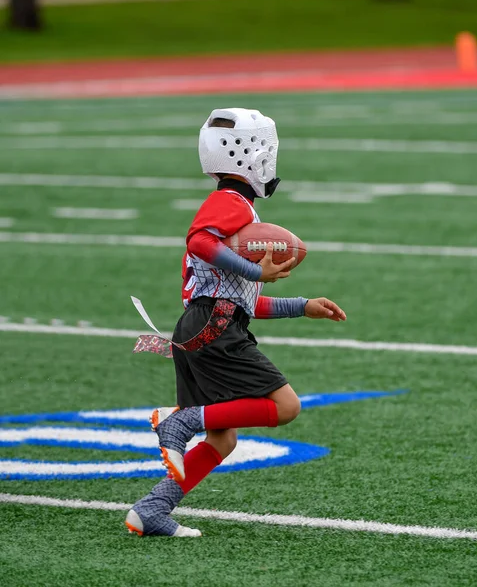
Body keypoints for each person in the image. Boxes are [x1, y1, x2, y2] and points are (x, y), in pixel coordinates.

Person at [125, 108, 346, 537]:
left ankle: (152, 509)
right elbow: (199, 241)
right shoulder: (230, 203)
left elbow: (243, 304)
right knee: (286, 407)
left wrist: (302, 305)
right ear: (251, 154)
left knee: (223, 439)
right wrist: (254, 272)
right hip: (213, 327)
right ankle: (182, 422)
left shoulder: (238, 207)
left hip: (205, 324)